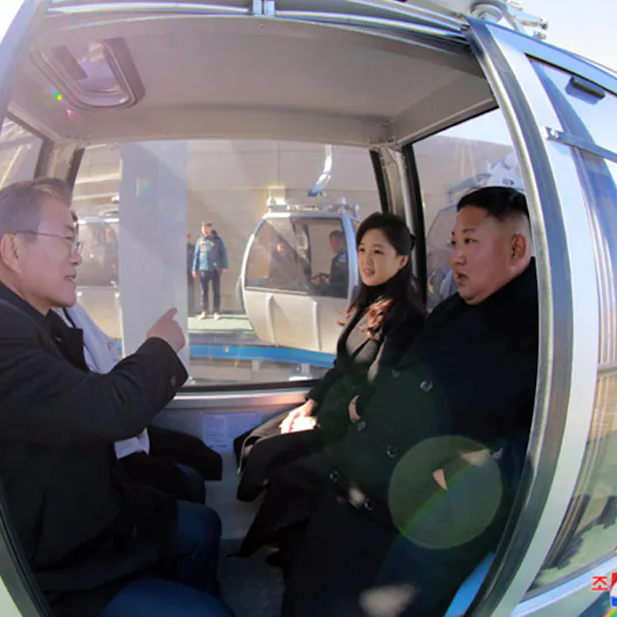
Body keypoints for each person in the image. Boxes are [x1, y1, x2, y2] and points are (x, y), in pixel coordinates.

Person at [270, 186, 539, 617]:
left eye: (470, 241)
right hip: (364, 481)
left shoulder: (543, 335)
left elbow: (551, 436)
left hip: (415, 517)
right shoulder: (454, 309)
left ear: (516, 247)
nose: (457, 257)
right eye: (453, 243)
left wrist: (479, 469)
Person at [0, 178, 233, 617]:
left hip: (90, 513)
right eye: (66, 240)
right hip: (58, 562)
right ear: (13, 250)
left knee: (202, 526)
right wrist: (158, 347)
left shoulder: (39, 318)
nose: (78, 256)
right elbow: (110, 409)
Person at [232, 212, 426, 555]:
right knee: (250, 441)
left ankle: (290, 543)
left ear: (402, 261)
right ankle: (290, 536)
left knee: (270, 458)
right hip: (330, 407)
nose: (366, 260)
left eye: (378, 252)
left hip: (353, 427)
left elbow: (375, 392)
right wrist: (308, 403)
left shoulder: (405, 318)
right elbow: (340, 367)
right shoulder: (370, 303)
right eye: (363, 249)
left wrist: (317, 420)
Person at [57, 300, 222, 504]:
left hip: (125, 429)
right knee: (191, 489)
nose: (76, 265)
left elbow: (110, 367)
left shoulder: (71, 309)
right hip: (109, 452)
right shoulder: (33, 334)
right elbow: (108, 412)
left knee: (205, 458)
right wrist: (160, 347)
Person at [192, 221, 228, 319]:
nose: (205, 230)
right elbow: (196, 256)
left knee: (216, 291)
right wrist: (194, 269)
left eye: (206, 228)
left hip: (215, 268)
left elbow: (223, 253)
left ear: (211, 228)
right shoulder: (200, 241)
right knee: (204, 291)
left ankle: (216, 311)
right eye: (203, 228)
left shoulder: (217, 240)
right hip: (204, 268)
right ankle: (204, 311)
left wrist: (224, 266)